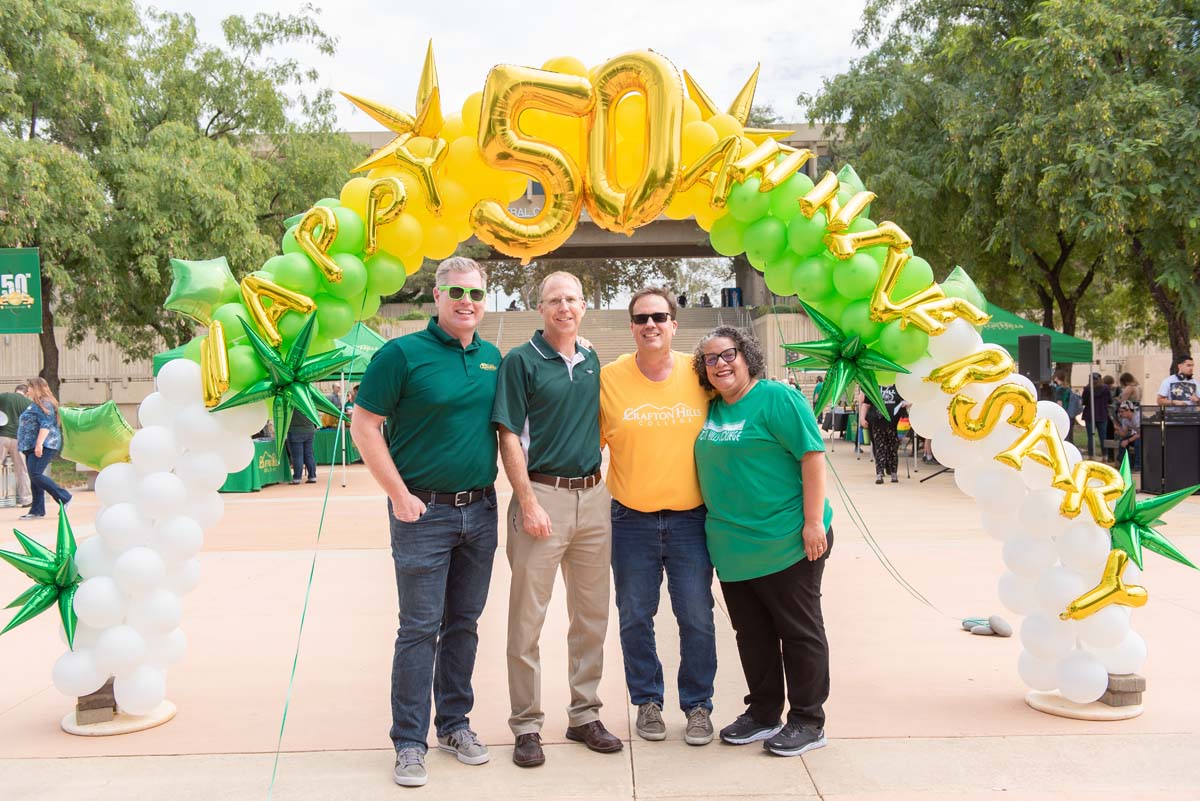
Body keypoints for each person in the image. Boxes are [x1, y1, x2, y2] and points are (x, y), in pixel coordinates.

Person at [349, 257, 501, 788]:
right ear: (436, 297)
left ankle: (455, 725)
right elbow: (364, 425)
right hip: (423, 514)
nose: (467, 302)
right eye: (457, 292)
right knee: (419, 628)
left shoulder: (492, 358)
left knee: (464, 624)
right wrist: (398, 495)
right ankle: (409, 742)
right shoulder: (401, 354)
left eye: (477, 294)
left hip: (481, 512)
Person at [492, 270, 621, 768]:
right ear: (539, 308)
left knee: (591, 617)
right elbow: (508, 437)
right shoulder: (520, 361)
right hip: (541, 494)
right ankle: (526, 724)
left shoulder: (591, 358)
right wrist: (527, 503)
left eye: (571, 299)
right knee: (528, 620)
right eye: (554, 300)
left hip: (593, 498)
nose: (563, 307)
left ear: (584, 306)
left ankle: (584, 714)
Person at [691, 326, 834, 758]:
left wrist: (813, 523)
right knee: (752, 635)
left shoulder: (776, 398)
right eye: (710, 359)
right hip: (734, 549)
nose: (721, 364)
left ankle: (808, 720)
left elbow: (812, 456)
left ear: (747, 355)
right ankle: (764, 713)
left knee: (799, 632)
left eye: (728, 354)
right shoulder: (712, 409)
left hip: (787, 541)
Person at [599, 288, 716, 746]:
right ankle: (647, 700)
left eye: (660, 317)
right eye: (642, 317)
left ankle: (699, 705)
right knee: (633, 616)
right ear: (631, 326)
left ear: (674, 325)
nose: (651, 324)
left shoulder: (699, 371)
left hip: (691, 520)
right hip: (631, 520)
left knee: (697, 617)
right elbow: (588, 443)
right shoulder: (608, 378)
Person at [16, 377, 71, 520]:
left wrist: (39, 444)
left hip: (44, 445)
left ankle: (64, 497)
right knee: (34, 477)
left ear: (36, 388)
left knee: (36, 475)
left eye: (30, 388)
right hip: (30, 445)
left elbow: (45, 425)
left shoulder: (45, 403)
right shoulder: (35, 404)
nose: (28, 391)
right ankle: (37, 509)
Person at [862, 384, 904, 484]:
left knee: (892, 449)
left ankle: (893, 473)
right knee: (880, 449)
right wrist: (862, 418)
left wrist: (906, 404)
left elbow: (906, 401)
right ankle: (879, 474)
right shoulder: (874, 386)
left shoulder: (897, 387)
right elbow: (866, 404)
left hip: (893, 425)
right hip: (877, 423)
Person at [0, 384, 32, 508]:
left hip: (2, 436)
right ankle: (26, 499)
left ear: (15, 390)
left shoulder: (6, 396)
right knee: (22, 469)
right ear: (27, 393)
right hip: (19, 439)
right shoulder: (27, 403)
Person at [1081, 372, 1112, 459]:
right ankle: (1105, 456)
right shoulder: (1105, 389)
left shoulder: (1087, 389)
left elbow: (1084, 401)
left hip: (1089, 414)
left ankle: (1091, 456)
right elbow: (1109, 401)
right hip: (1102, 414)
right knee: (1103, 436)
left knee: (1090, 436)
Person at [285, 412, 317, 485]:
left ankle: (297, 478)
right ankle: (312, 476)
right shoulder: (308, 402)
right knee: (309, 454)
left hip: (295, 431)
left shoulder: (292, 403)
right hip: (309, 430)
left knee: (298, 456)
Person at [1114, 400, 1141, 470]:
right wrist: (1118, 429)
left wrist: (1128, 441)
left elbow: (1141, 433)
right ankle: (1125, 464)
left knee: (1138, 443)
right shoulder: (1125, 420)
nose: (1120, 414)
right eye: (1119, 412)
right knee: (1122, 442)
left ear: (1129, 410)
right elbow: (1124, 434)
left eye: (1122, 411)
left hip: (1146, 435)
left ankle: (1138, 466)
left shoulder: (1137, 417)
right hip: (1137, 435)